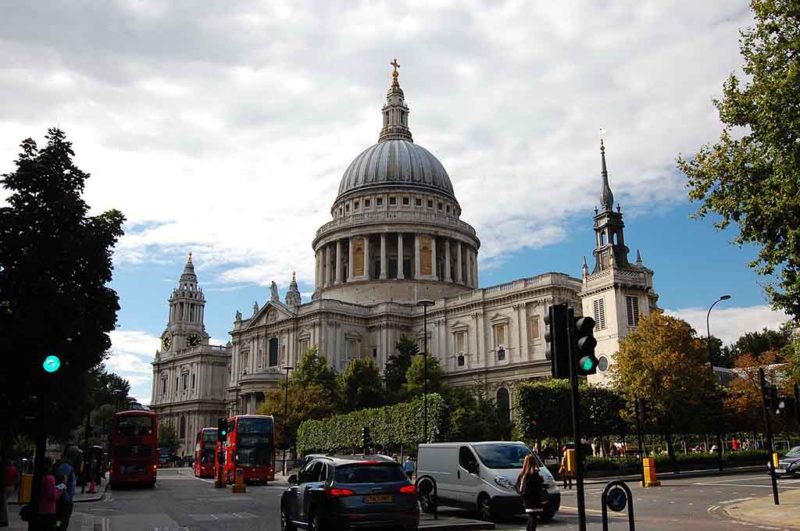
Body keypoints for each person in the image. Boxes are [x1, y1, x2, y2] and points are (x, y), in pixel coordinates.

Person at [517, 455, 544, 531]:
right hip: (535, 499)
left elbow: (517, 485)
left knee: (531, 517)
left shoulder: (522, 474)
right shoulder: (534, 474)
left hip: (527, 499)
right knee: (533, 518)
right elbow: (538, 486)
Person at [55, 453, 76, 530]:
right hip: (63, 502)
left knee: (62, 520)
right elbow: (61, 484)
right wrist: (67, 498)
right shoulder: (65, 466)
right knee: (61, 520)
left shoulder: (67, 466)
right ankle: (58, 528)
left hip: (65, 501)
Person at [40, 457, 61, 531]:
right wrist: (59, 491)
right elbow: (51, 495)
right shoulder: (50, 478)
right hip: (49, 509)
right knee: (54, 525)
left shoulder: (40, 477)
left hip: (40, 508)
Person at [1, 459, 18, 527]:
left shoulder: (5, 469)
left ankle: (4, 519)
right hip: (12, 486)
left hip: (5, 486)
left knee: (4, 502)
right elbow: (17, 476)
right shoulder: (14, 469)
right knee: (5, 501)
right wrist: (15, 482)